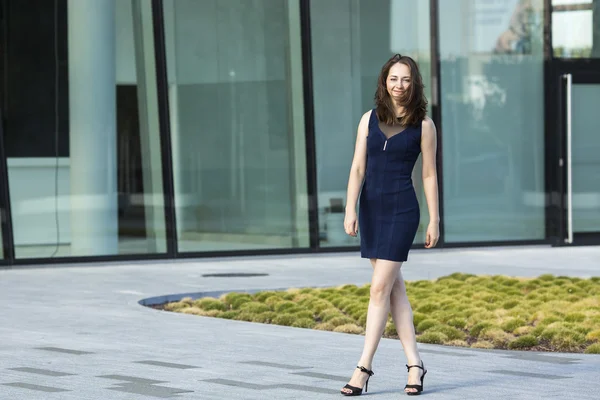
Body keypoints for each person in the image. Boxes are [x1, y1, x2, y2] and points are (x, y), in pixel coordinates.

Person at [340, 54, 439, 396]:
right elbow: (357, 168)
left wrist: (434, 219)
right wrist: (350, 208)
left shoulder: (424, 126)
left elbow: (428, 174)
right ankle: (415, 364)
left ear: (415, 84)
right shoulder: (367, 120)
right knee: (394, 289)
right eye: (393, 79)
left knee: (379, 289)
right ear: (385, 82)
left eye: (406, 79)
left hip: (401, 212)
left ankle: (363, 367)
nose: (399, 85)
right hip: (370, 210)